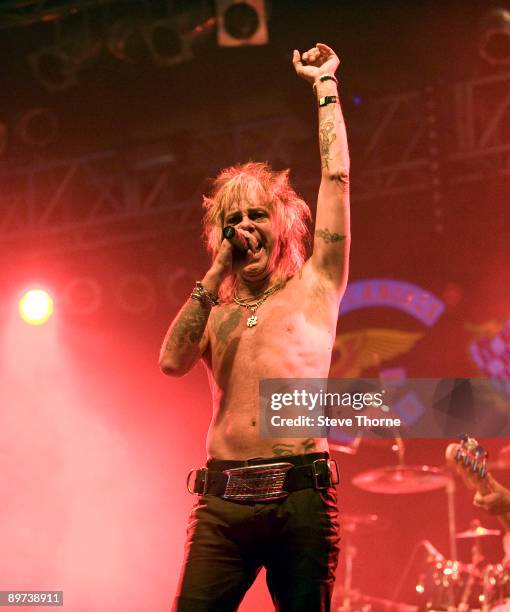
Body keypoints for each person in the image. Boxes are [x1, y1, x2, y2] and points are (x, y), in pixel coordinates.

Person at [160, 42, 350, 612]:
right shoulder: (213, 310)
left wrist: (325, 87)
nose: (245, 226)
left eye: (256, 214)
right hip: (222, 505)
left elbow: (337, 178)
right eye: (232, 218)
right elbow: (171, 362)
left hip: (300, 496)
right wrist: (214, 271)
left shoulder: (316, 283)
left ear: (283, 222)